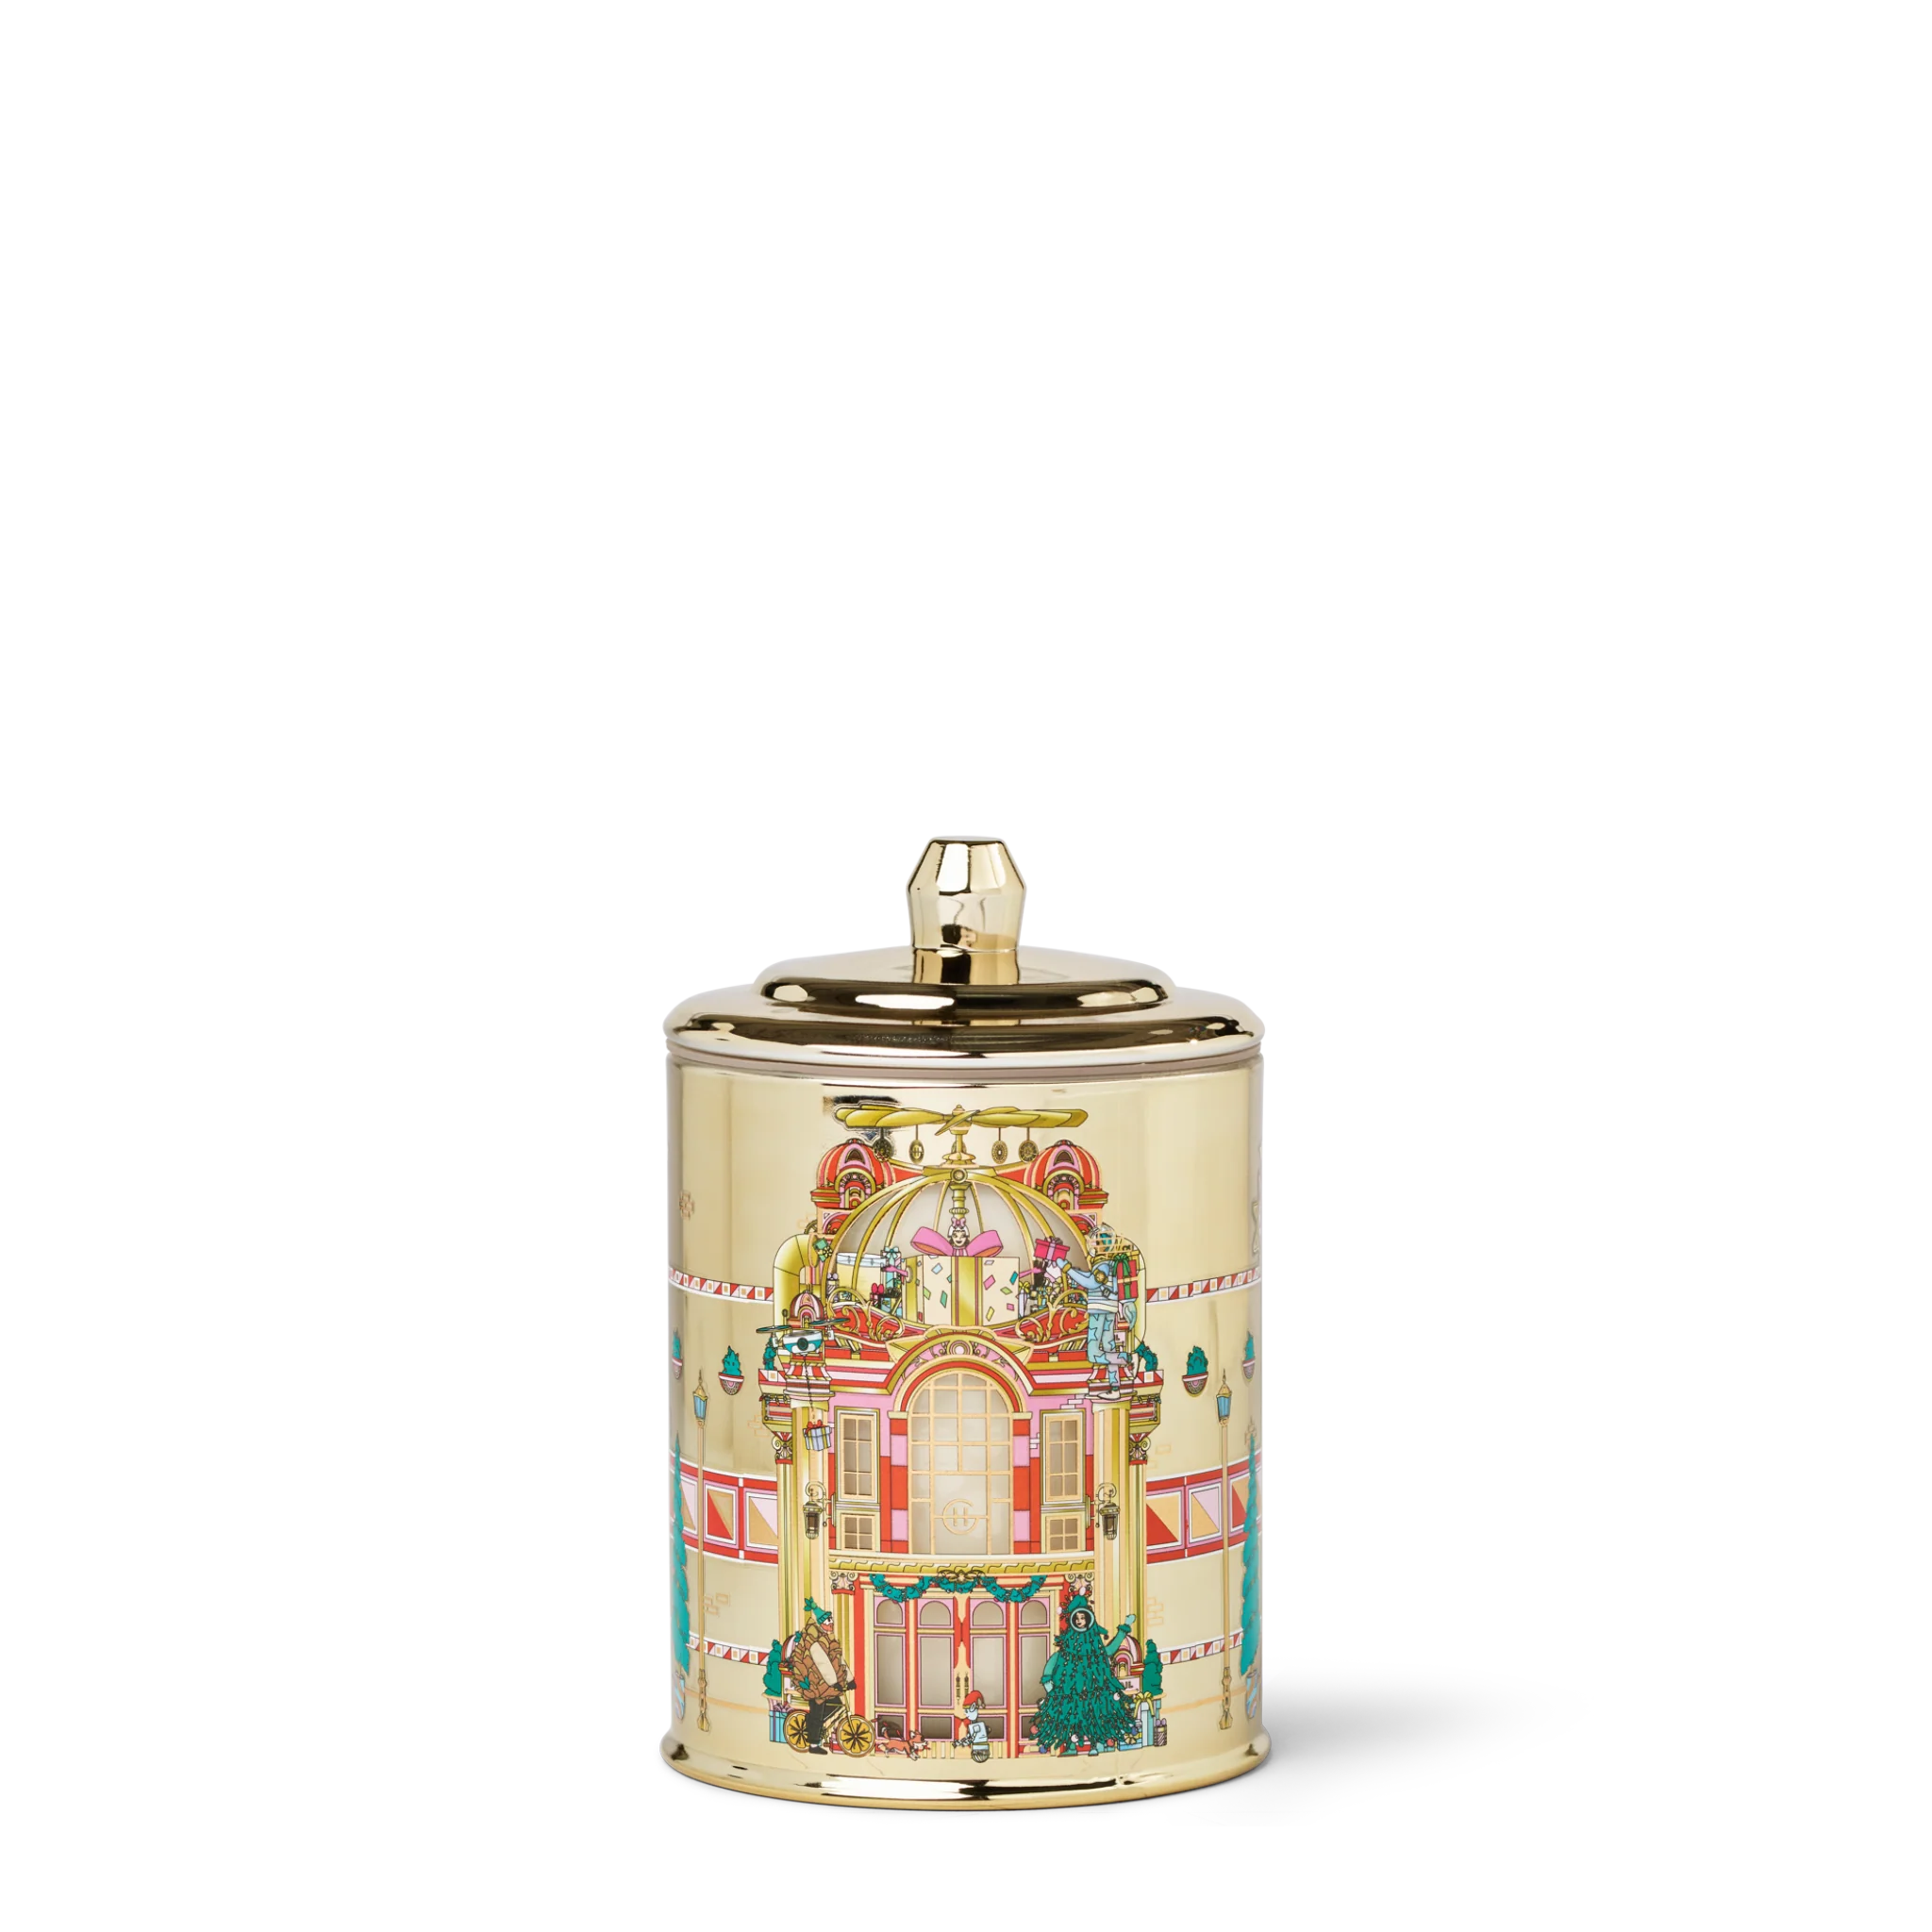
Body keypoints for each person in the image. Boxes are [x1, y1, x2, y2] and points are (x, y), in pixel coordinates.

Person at [784, 1607, 852, 1754]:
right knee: (818, 1711)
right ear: (821, 1624)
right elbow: (823, 1663)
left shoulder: (829, 1640)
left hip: (824, 1684)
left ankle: (812, 1722)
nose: (831, 1623)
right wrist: (834, 1682)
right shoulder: (815, 1642)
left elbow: (837, 1659)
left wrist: (849, 1678)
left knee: (836, 1704)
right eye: (828, 1621)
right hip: (815, 1684)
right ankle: (813, 1744)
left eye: (831, 1621)